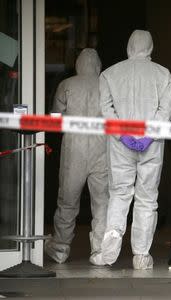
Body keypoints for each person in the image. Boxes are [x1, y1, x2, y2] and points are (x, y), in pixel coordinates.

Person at [95, 30, 171, 270]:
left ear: (128, 46)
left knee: (119, 194)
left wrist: (123, 135)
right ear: (151, 47)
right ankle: (141, 256)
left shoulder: (110, 73)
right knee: (147, 198)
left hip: (121, 145)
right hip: (151, 144)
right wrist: (149, 134)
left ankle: (108, 253)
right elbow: (166, 108)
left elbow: (106, 109)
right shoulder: (163, 74)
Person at [45, 48, 109, 265]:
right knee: (101, 202)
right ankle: (99, 250)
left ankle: (61, 248)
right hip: (102, 149)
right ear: (98, 65)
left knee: (68, 200)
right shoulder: (106, 84)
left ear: (78, 64)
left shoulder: (66, 85)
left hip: (74, 149)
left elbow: (55, 119)